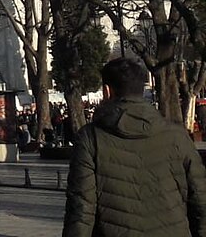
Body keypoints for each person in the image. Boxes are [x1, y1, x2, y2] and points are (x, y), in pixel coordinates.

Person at [65, 56, 206, 237]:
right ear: (141, 89)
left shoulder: (90, 137)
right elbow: (200, 199)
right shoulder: (177, 135)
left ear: (108, 90)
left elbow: (81, 208)